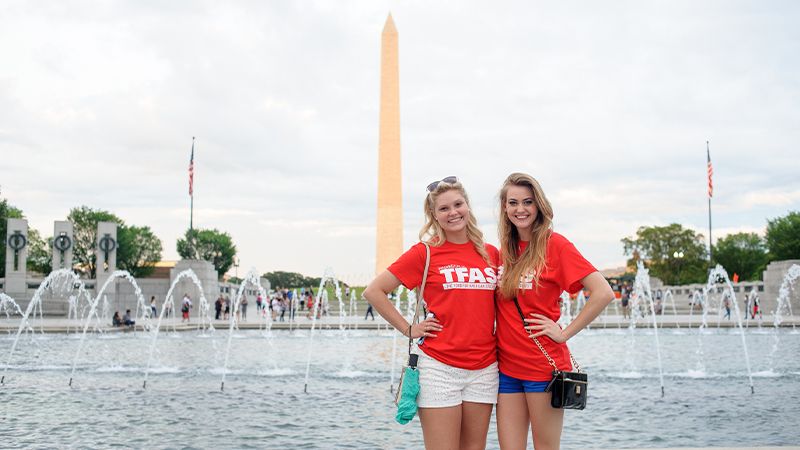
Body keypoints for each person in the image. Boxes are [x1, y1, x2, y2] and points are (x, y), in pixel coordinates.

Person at [363, 176, 500, 450]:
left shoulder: (491, 254)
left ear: (467, 206)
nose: (453, 213)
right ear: (434, 215)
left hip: (484, 367)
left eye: (458, 204)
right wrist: (408, 328)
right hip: (439, 367)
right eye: (444, 208)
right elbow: (374, 291)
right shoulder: (424, 253)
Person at [493, 173, 614, 450]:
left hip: (542, 369)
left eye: (528, 202)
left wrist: (563, 333)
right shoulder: (504, 252)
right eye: (513, 202)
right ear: (504, 207)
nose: (520, 209)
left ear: (539, 206)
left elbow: (603, 292)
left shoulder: (555, 245)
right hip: (506, 369)